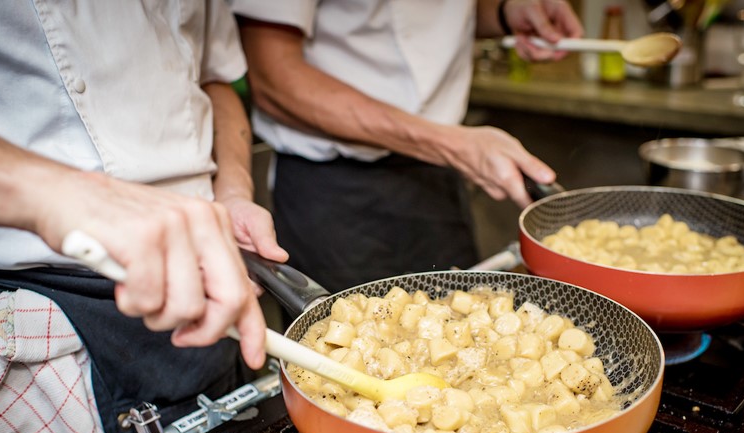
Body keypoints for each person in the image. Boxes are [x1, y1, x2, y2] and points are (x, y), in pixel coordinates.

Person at [0, 0, 287, 433]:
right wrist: (62, 193)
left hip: (206, 265)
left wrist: (233, 192)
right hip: (45, 300)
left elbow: (216, 81)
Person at [231, 0, 583, 293]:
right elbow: (273, 78)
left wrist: (505, 12)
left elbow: (423, 19)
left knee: (464, 328)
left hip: (437, 176)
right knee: (351, 360)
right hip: (336, 193)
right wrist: (448, 142)